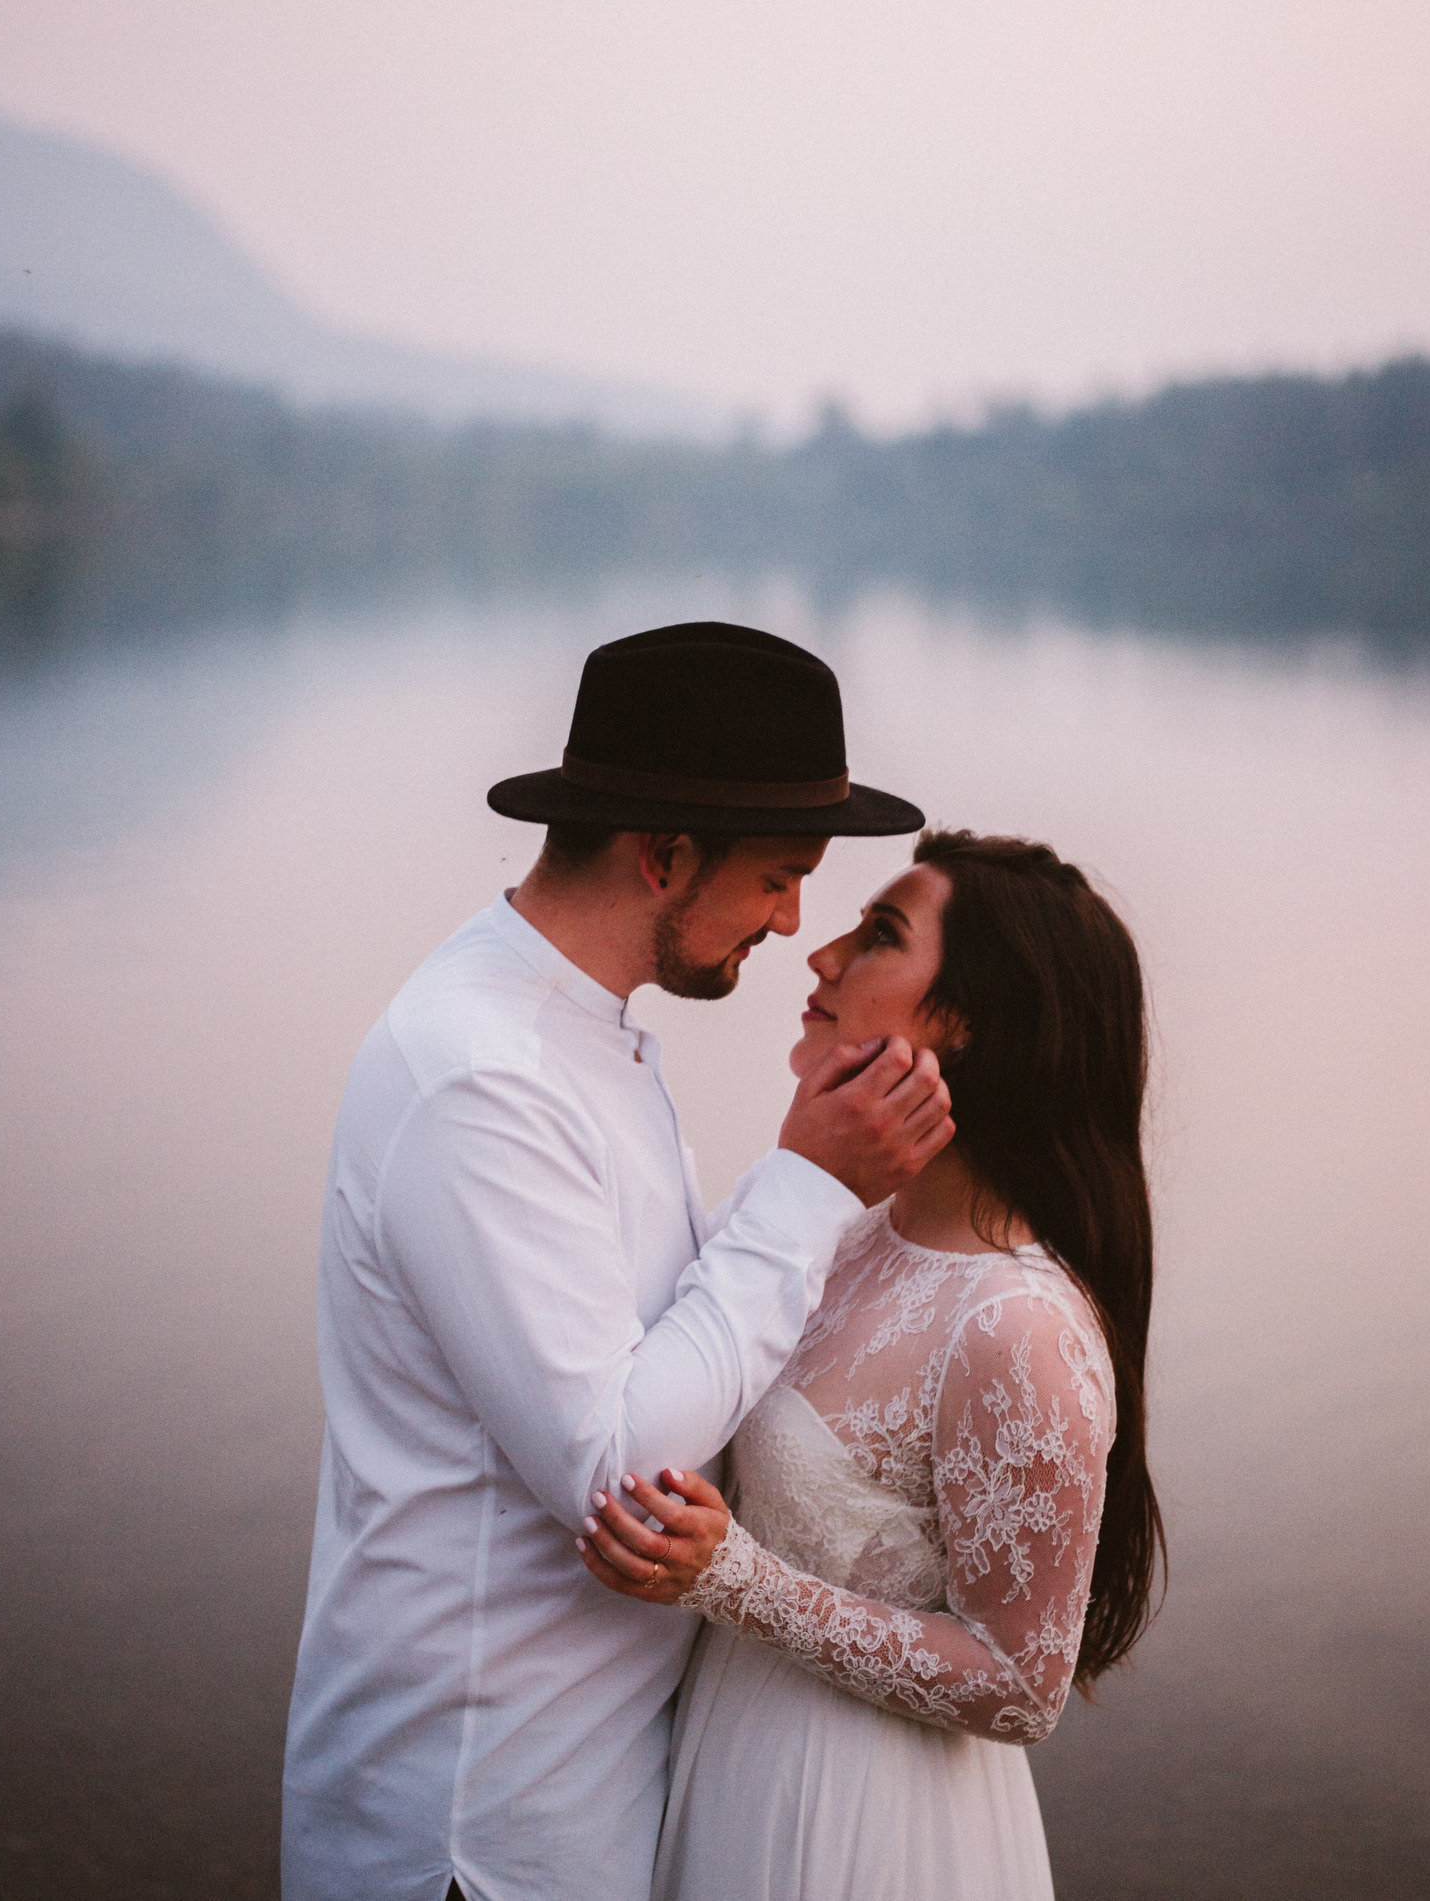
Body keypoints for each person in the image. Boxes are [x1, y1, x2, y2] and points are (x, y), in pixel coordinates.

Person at [281, 622, 956, 1901]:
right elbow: (616, 1476)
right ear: (664, 857)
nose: (793, 922)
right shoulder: (481, 1075)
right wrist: (811, 1184)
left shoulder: (580, 1037)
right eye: (778, 875)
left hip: (576, 1791)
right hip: (474, 1828)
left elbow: (673, 1350)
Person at [579, 830, 1166, 1901]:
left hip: (862, 1820)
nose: (820, 954)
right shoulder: (839, 1226)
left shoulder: (1015, 1325)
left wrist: (733, 1581)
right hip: (727, 1757)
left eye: (880, 935)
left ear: (974, 1028)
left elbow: (1018, 1685)